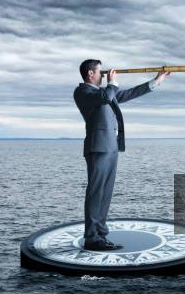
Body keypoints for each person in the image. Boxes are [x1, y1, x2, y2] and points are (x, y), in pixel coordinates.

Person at [73, 59, 170, 251]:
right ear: (90, 74)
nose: (103, 74)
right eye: (100, 72)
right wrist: (112, 83)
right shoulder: (83, 92)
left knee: (105, 193)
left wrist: (155, 81)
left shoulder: (103, 93)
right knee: (96, 192)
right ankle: (91, 238)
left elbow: (125, 94)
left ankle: (100, 233)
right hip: (98, 148)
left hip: (111, 147)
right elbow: (108, 96)